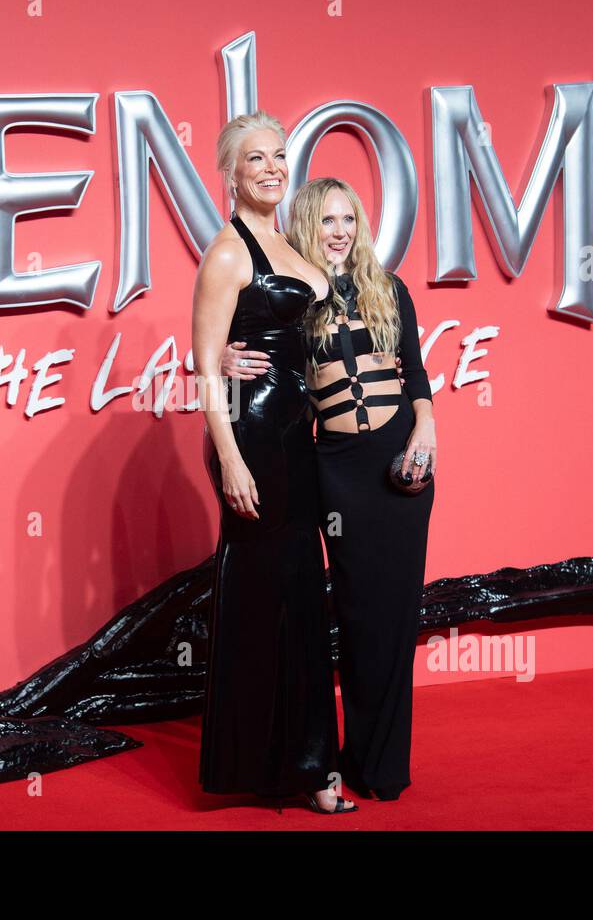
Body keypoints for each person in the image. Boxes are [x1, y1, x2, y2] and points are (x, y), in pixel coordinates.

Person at [220, 176, 437, 800]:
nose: (339, 232)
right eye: (326, 221)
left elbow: (416, 372)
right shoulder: (298, 301)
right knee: (355, 614)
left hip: (398, 460)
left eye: (348, 220)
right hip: (335, 467)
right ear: (308, 227)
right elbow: (236, 346)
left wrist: (426, 428)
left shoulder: (389, 289)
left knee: (395, 618)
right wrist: (221, 361)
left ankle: (382, 766)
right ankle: (337, 755)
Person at [192, 114, 357, 815]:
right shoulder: (228, 253)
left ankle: (306, 758)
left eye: (279, 156)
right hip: (250, 434)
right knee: (264, 599)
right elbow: (204, 370)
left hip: (301, 437)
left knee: (300, 596)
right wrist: (229, 459)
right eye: (254, 159)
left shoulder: (291, 243)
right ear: (231, 174)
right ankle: (272, 768)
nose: (270, 169)